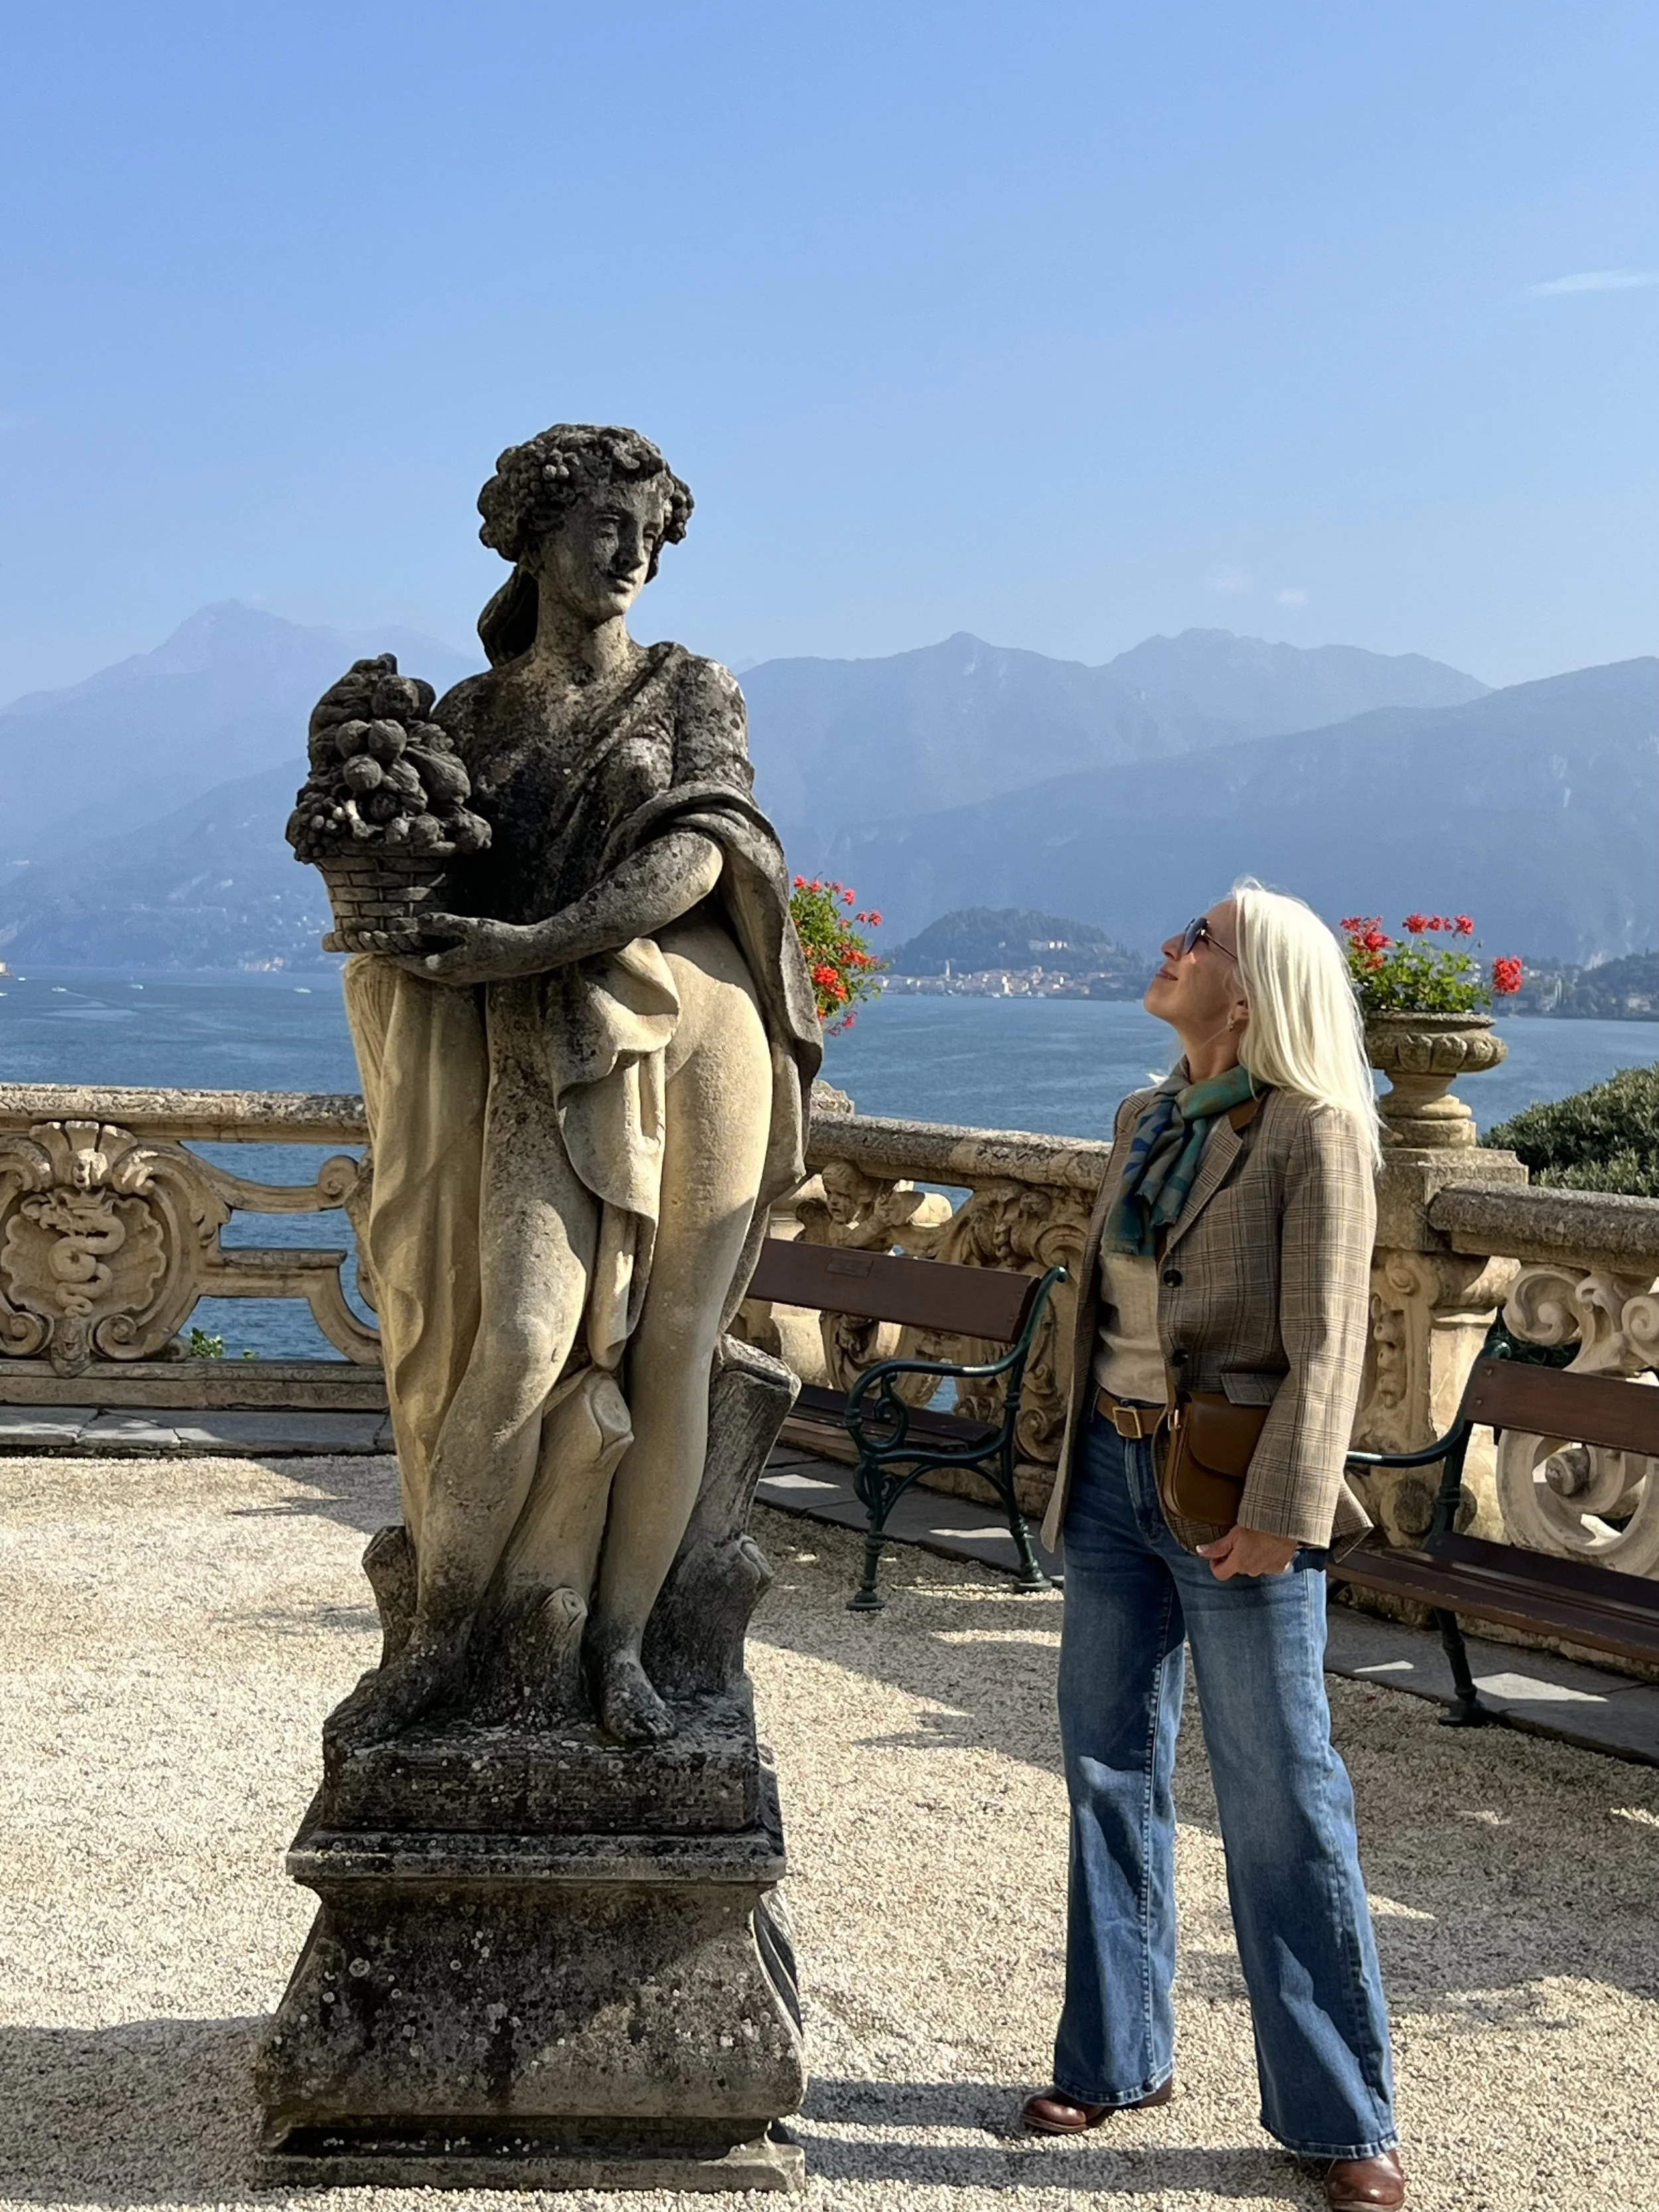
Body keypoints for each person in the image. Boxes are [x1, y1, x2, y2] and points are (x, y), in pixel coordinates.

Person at [328, 424, 820, 1747]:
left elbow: (707, 859)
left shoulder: (689, 685)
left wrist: (538, 939)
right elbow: (426, 878)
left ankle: (620, 1646)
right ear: (536, 536)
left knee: (670, 1357)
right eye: (606, 524)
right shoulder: (470, 714)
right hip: (528, 1043)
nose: (632, 553)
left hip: (694, 1029)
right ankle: (444, 1638)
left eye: (650, 533)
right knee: (526, 1341)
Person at [1022, 882, 1405, 2212]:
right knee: (1104, 1768)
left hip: (1233, 1494)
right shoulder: (1141, 1121)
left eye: (1199, 938)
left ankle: (1339, 2113)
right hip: (1114, 1482)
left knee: (1279, 1796)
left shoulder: (1317, 1132)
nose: (1170, 946)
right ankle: (1115, 2055)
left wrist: (1283, 1509)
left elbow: (1329, 1346)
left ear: (1246, 991)